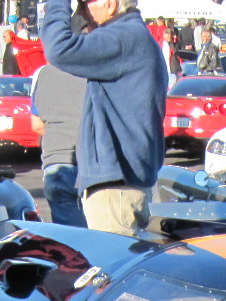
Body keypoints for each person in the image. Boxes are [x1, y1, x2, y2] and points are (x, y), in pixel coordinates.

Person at [40, 0, 165, 236]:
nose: (80, 13)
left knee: (109, 268)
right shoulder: (133, 37)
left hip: (115, 188)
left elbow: (59, 47)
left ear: (110, 4)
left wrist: (57, 3)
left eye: (84, 4)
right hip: (119, 184)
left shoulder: (123, 37)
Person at [30, 62, 88, 226]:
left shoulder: (43, 74)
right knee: (101, 238)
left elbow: (37, 125)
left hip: (55, 163)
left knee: (70, 240)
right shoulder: (95, 69)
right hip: (92, 164)